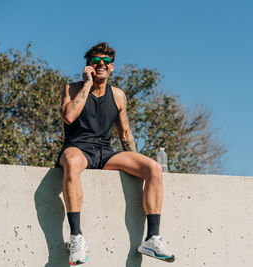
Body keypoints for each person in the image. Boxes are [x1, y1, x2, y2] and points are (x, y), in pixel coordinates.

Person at [57, 42, 175, 265]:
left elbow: (125, 134)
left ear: (112, 67)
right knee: (71, 162)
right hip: (77, 148)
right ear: (88, 66)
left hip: (104, 152)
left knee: (153, 167)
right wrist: (87, 85)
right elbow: (69, 116)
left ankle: (152, 238)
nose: (101, 64)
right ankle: (76, 238)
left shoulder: (118, 96)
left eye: (106, 61)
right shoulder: (72, 88)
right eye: (96, 61)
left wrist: (136, 161)